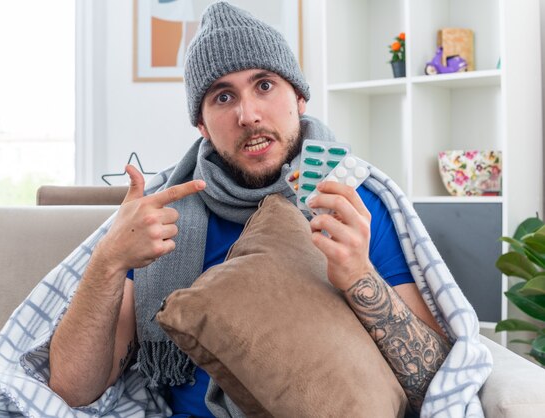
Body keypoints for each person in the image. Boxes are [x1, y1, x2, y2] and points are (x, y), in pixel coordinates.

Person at [48, 2, 451, 416]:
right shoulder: (161, 216)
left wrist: (359, 277)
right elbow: (72, 389)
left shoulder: (353, 201)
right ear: (202, 125)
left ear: (298, 96)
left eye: (264, 85)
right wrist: (108, 261)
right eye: (223, 97)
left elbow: (438, 383)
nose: (249, 114)